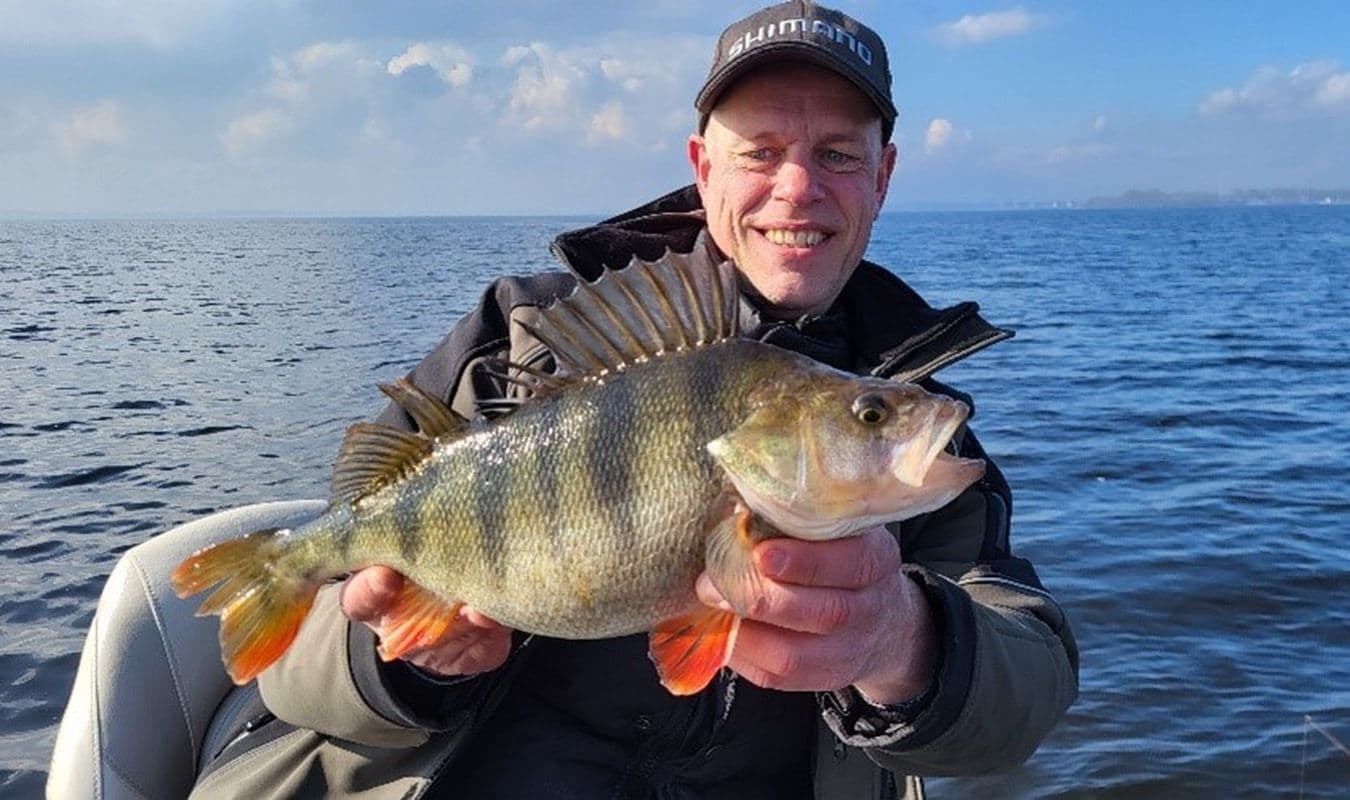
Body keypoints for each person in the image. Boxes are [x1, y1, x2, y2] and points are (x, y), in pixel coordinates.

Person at [188, 2, 1078, 798]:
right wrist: (401, 663)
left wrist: (901, 642)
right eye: (759, 153)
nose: (797, 189)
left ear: (883, 177)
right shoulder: (518, 340)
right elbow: (292, 678)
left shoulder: (910, 438)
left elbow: (1026, 687)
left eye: (838, 155)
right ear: (703, 168)